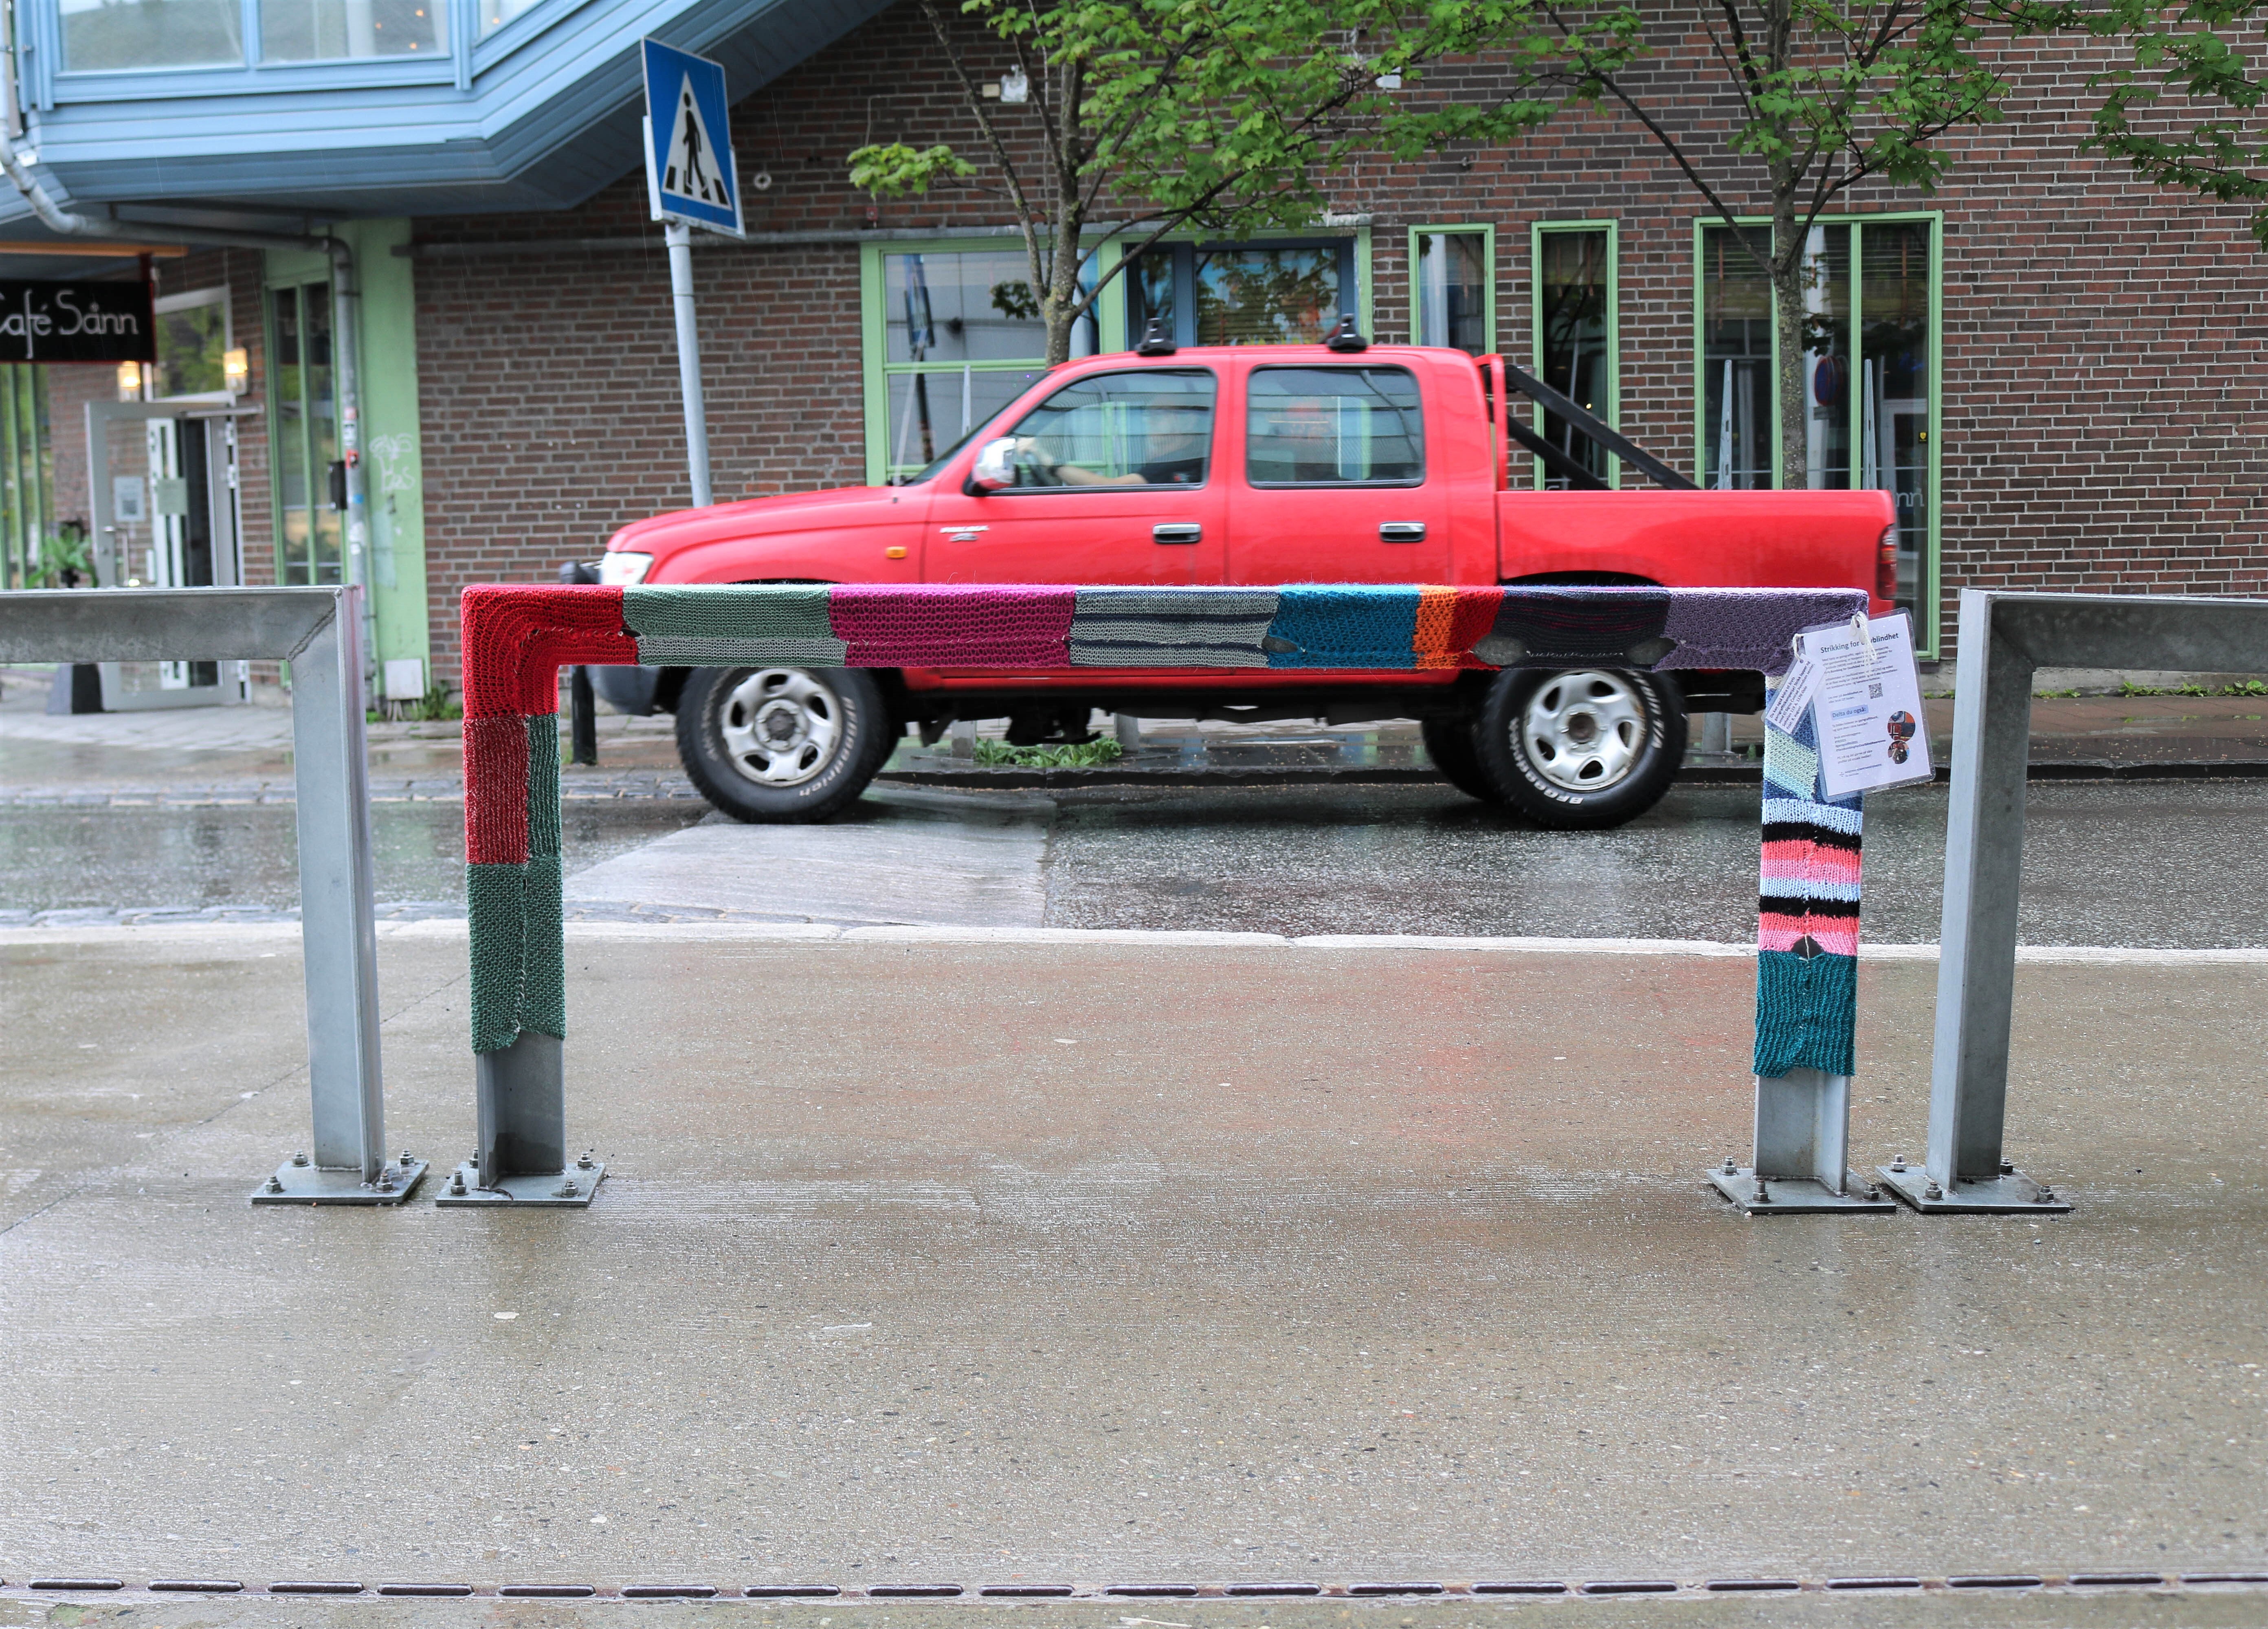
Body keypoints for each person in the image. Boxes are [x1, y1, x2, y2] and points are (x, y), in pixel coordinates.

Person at [1014, 402, 1209, 487]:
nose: (1149, 420)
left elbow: (1109, 488)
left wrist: (1049, 462)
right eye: (1148, 414)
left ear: (1189, 421)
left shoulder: (1180, 462)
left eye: (1158, 413)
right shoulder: (1188, 458)